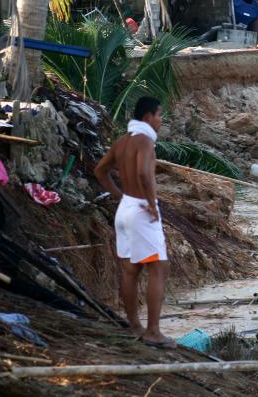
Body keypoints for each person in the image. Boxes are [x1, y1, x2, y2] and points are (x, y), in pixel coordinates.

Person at [94, 97, 174, 348]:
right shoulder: (146, 141)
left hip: (125, 208)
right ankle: (153, 331)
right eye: (160, 115)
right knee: (158, 267)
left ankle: (133, 326)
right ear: (149, 116)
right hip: (141, 210)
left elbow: (100, 171)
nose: (161, 121)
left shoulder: (122, 141)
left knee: (131, 269)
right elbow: (143, 173)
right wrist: (151, 203)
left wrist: (121, 196)